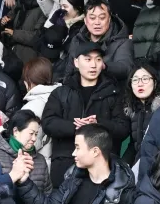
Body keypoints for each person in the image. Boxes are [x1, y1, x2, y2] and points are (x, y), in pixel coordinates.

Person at [43, 43, 130, 186]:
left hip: (100, 167)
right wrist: (75, 127)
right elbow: (48, 123)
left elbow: (123, 128)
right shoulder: (61, 92)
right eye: (88, 60)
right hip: (65, 163)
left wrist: (98, 125)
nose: (94, 65)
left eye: (98, 59)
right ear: (76, 62)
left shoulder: (113, 93)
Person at [58, 0, 133, 83]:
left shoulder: (122, 41)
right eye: (92, 18)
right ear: (85, 20)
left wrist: (103, 66)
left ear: (109, 19)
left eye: (102, 18)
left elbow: (126, 68)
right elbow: (69, 72)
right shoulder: (77, 40)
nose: (97, 22)